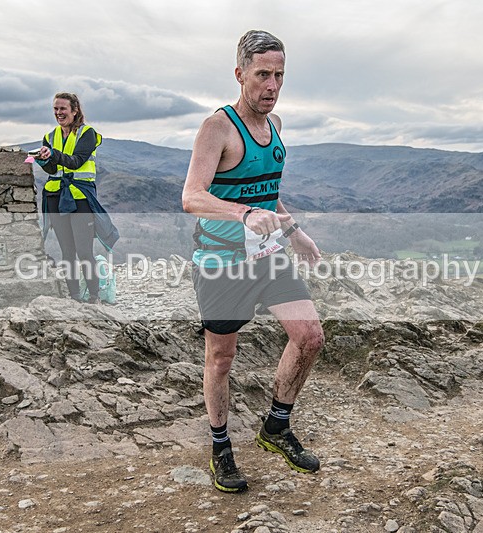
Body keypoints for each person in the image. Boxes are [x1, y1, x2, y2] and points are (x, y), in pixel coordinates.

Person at [182, 30, 325, 493]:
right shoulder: (217, 128)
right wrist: (244, 214)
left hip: (268, 256)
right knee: (221, 358)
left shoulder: (276, 125)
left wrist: (293, 230)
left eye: (279, 75)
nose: (272, 85)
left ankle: (276, 428)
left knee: (309, 336)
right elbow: (191, 197)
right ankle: (221, 447)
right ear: (240, 74)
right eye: (263, 74)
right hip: (221, 260)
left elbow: (266, 192)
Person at [34, 92, 118, 304]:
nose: (59, 113)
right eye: (55, 109)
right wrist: (44, 160)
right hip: (55, 196)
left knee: (83, 250)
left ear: (75, 110)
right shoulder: (50, 136)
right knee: (67, 251)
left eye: (63, 109)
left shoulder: (87, 134)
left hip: (79, 197)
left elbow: (76, 161)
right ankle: (74, 297)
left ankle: (94, 296)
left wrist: (53, 154)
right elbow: (53, 168)